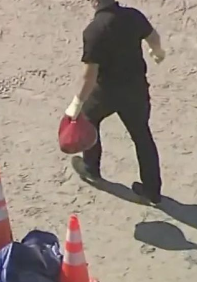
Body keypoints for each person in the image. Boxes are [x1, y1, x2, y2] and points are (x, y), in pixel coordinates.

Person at [65, 0, 166, 204]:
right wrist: (157, 52)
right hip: (136, 88)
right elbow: (153, 37)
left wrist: (77, 103)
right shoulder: (133, 16)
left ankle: (91, 168)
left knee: (89, 118)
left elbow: (89, 75)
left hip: (106, 92)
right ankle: (151, 190)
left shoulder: (94, 31)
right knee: (142, 135)